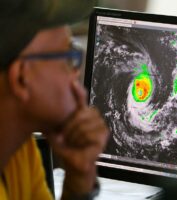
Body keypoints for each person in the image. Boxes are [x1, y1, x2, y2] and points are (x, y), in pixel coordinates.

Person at [0, 0, 109, 199]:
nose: (75, 74)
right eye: (68, 58)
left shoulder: (18, 151)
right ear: (21, 78)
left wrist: (79, 178)